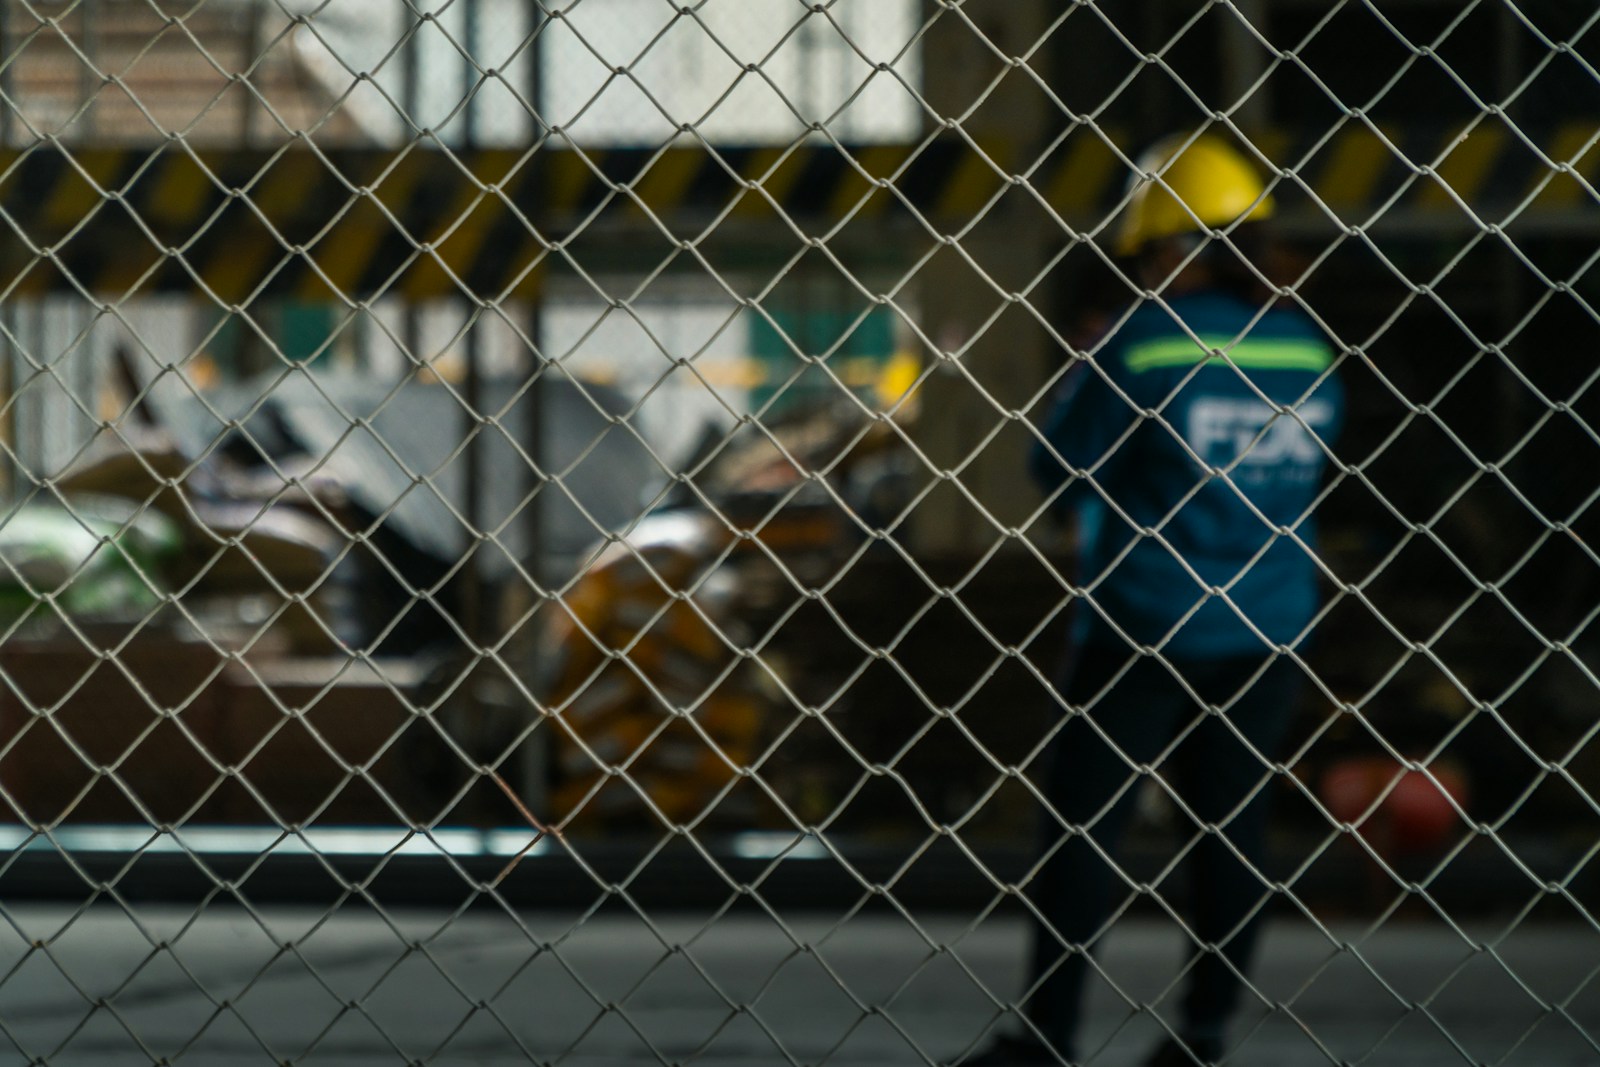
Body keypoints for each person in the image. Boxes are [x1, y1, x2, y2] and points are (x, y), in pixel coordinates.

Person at [962, 133, 1344, 1066]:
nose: (1143, 269)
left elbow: (1055, 470)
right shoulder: (1309, 345)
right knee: (1229, 833)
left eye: (1148, 250)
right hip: (1266, 627)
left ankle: (1047, 1040)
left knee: (1084, 829)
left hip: (1142, 622)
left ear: (1175, 244)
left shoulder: (1142, 340)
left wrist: (1090, 366)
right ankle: (1202, 1039)